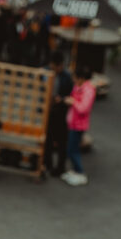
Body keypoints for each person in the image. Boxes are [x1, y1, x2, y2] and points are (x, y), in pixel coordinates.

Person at [62, 65, 95, 187]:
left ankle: (80, 173)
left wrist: (73, 102)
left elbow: (83, 108)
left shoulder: (88, 90)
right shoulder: (78, 87)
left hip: (79, 125)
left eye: (75, 78)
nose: (74, 80)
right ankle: (75, 171)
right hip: (73, 122)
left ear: (81, 78)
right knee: (71, 148)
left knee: (73, 149)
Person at [44, 50, 73, 178]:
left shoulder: (67, 77)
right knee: (48, 139)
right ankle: (47, 163)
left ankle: (60, 167)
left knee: (62, 141)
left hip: (61, 112)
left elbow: (70, 94)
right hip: (48, 111)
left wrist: (61, 99)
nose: (59, 68)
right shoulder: (45, 72)